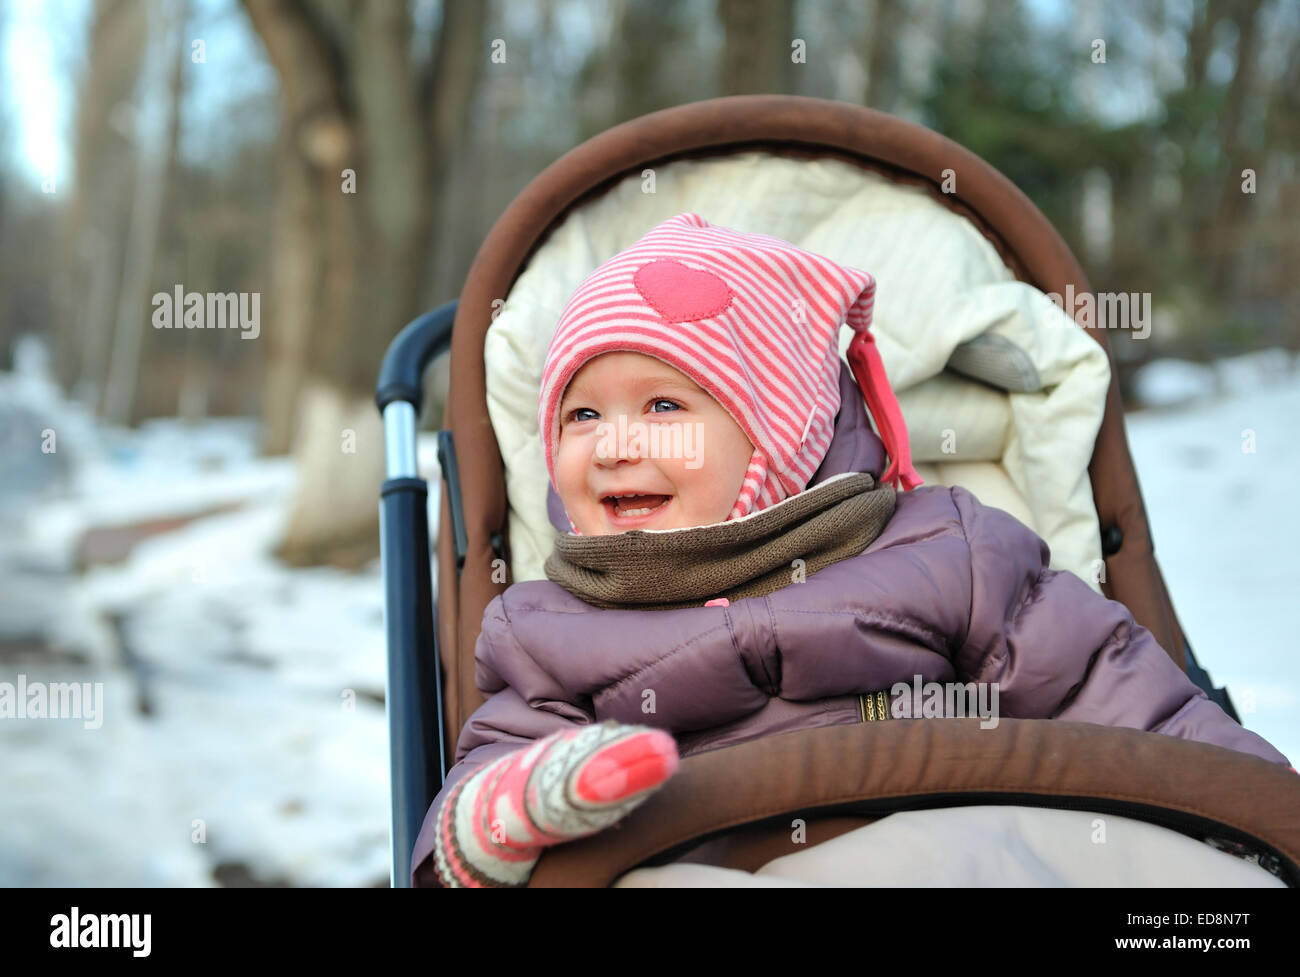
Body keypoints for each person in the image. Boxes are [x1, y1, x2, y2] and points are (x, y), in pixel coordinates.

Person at [413, 213, 1292, 888]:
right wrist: (521, 803)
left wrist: (1256, 814)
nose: (612, 444)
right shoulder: (548, 628)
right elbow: (489, 780)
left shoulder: (944, 548)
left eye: (667, 407)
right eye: (582, 414)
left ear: (784, 433)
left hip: (968, 846)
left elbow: (1117, 695)